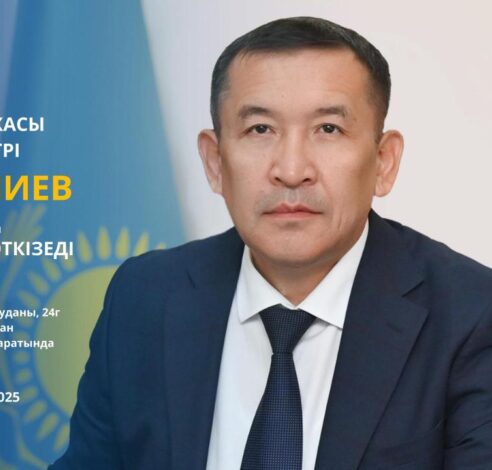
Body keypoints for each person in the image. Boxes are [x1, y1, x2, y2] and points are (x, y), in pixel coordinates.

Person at [49, 16, 492, 470]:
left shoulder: (472, 314)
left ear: (384, 162)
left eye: (328, 129)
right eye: (260, 129)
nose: (292, 170)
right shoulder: (144, 298)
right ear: (215, 162)